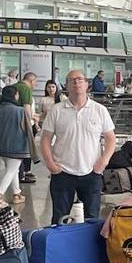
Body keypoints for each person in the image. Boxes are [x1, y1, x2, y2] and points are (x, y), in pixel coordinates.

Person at [41, 70, 117, 224]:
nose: (76, 82)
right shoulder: (57, 110)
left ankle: (88, 248)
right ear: (66, 86)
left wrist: (103, 162)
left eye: (80, 79)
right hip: (62, 173)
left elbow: (110, 138)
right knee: (59, 219)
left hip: (91, 173)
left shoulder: (99, 110)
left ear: (87, 84)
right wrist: (51, 165)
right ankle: (60, 247)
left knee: (92, 219)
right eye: (71, 80)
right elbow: (45, 140)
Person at [0, 85, 30, 205]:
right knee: (11, 171)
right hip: (17, 146)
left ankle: (17, 194)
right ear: (15, 95)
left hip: (1, 146)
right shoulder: (20, 110)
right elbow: (27, 127)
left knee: (13, 170)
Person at [15, 72, 39, 185]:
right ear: (31, 80)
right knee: (25, 150)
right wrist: (31, 121)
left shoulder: (14, 87)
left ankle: (20, 174)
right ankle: (22, 174)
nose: (36, 84)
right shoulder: (26, 88)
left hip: (13, 123)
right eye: (35, 82)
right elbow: (27, 108)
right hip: (24, 124)